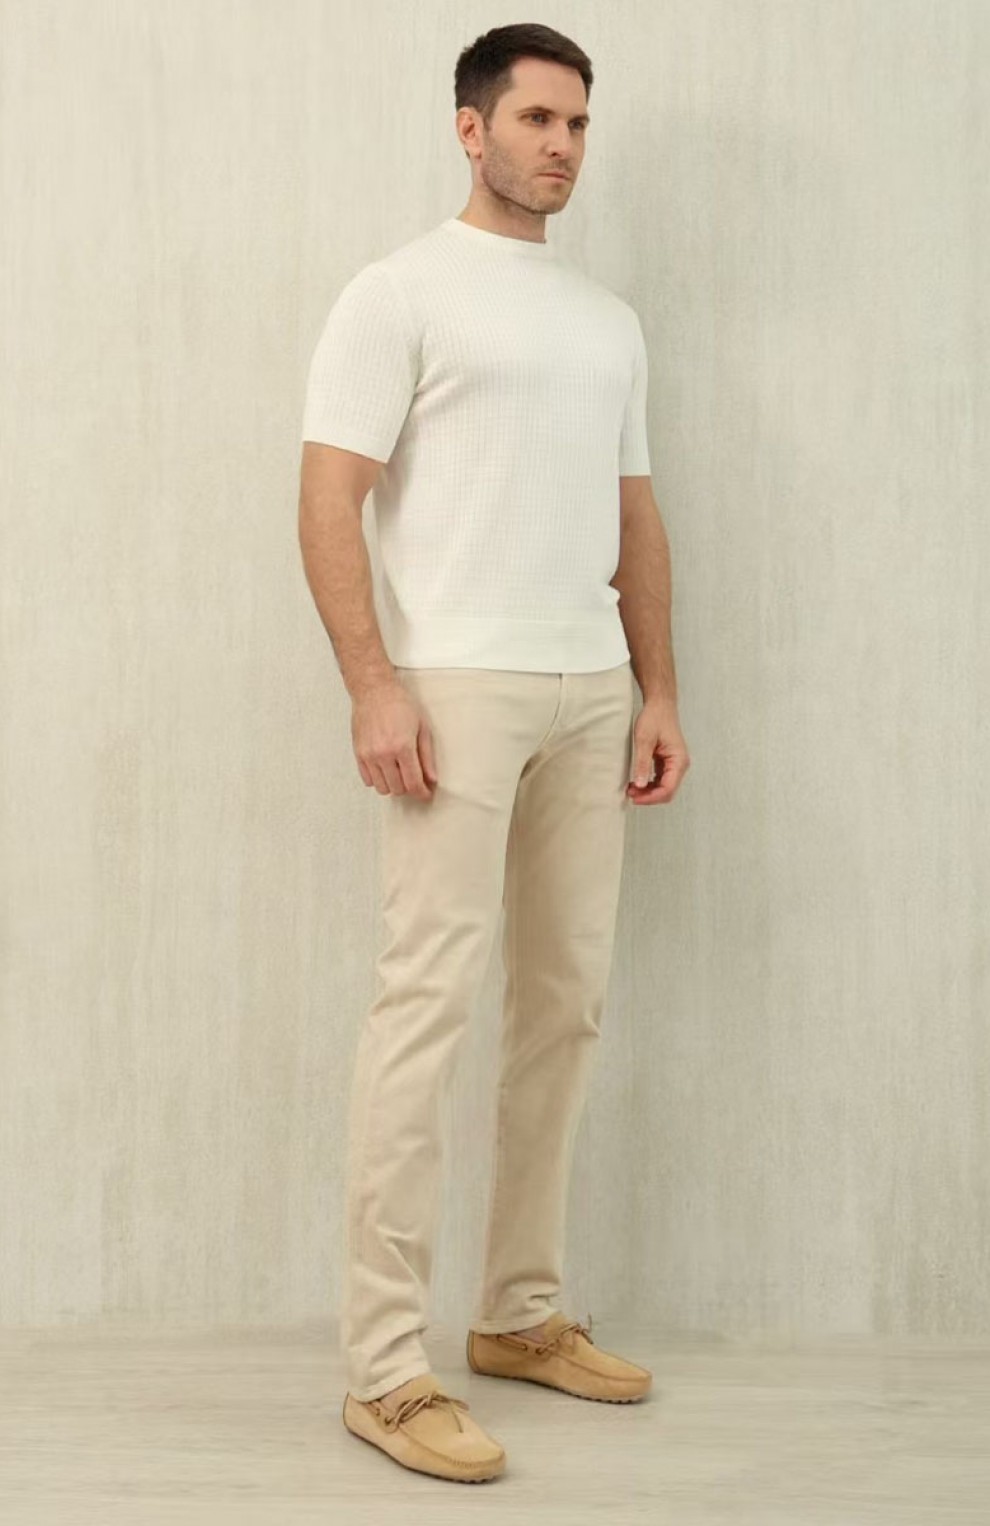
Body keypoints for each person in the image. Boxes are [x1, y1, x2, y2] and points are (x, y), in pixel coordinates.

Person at [298, 22, 690, 1485]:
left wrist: (658, 689)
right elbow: (327, 498)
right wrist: (374, 684)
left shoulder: (606, 320)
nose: (561, 145)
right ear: (471, 129)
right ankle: (383, 1370)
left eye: (578, 123)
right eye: (535, 119)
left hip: (592, 690)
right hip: (455, 688)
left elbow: (633, 515)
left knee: (563, 1006)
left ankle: (520, 1312)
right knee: (427, 1008)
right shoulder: (396, 292)